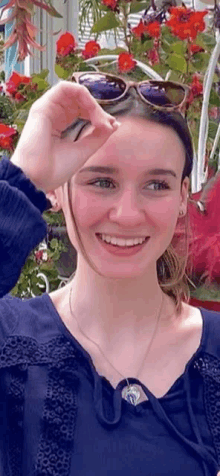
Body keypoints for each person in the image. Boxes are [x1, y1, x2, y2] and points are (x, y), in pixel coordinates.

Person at [0, 73, 220, 476]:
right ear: (57, 189)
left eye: (156, 184)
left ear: (183, 196)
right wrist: (23, 178)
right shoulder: (10, 341)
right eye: (102, 182)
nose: (128, 214)